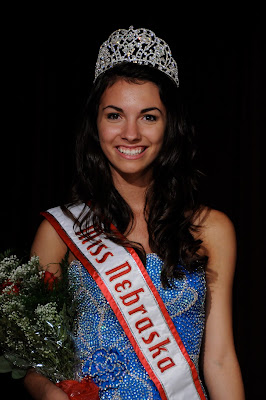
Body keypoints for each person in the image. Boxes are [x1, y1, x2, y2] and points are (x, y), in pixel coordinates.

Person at [24, 27, 245, 399]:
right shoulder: (60, 232)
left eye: (148, 117)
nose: (130, 133)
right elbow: (33, 360)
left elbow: (220, 358)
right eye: (114, 115)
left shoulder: (212, 228)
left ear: (169, 125)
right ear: (95, 125)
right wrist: (47, 391)